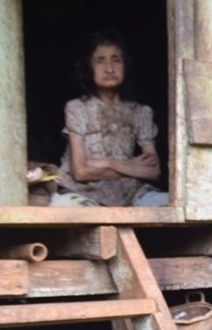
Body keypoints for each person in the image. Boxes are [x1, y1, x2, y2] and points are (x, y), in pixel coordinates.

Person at [54, 29, 168, 207]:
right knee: (66, 210)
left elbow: (153, 171)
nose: (109, 68)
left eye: (116, 60)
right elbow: (80, 172)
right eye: (100, 61)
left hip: (129, 192)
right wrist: (129, 167)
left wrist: (105, 164)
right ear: (89, 67)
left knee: (167, 203)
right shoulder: (77, 108)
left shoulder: (140, 112)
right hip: (83, 192)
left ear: (125, 65)